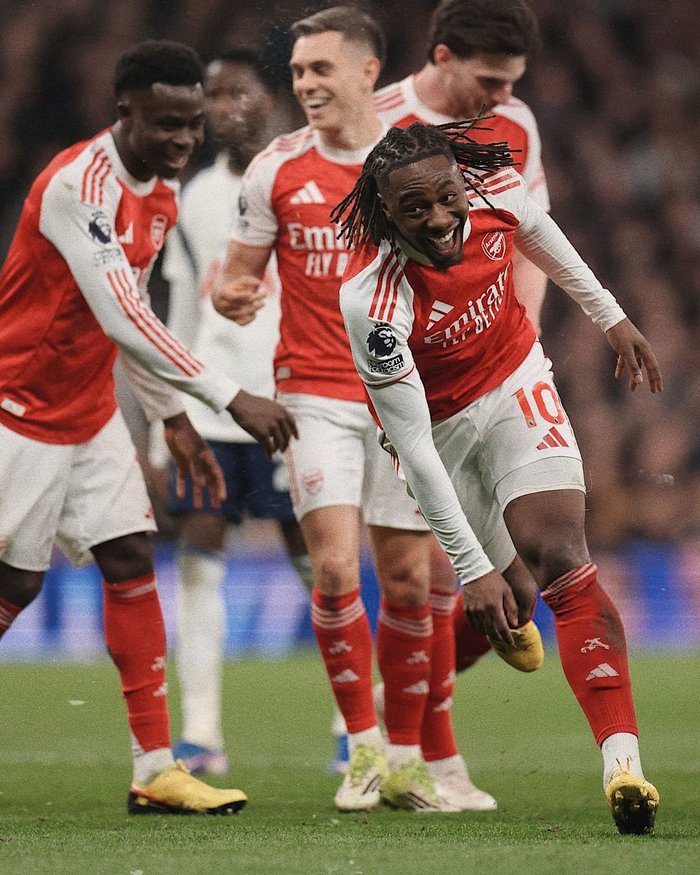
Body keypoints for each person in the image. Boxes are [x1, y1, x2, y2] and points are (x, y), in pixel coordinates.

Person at [335, 120, 661, 835]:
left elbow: (544, 238)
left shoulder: (497, 189)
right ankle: (407, 693)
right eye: (414, 208)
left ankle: (623, 765)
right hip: (439, 432)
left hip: (515, 381)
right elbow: (415, 447)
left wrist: (611, 318)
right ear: (386, 210)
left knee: (562, 559)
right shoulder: (372, 301)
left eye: (445, 197)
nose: (438, 219)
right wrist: (472, 567)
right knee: (510, 598)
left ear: (463, 182)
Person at [213, 7, 500, 814]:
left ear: (369, 72)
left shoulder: (418, 161)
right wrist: (233, 294)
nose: (305, 84)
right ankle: (365, 750)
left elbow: (464, 255)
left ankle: (411, 760)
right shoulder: (275, 168)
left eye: (320, 69)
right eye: (298, 72)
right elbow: (235, 274)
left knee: (409, 580)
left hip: (402, 396)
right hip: (313, 394)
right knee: (337, 568)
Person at [0, 39, 297, 816]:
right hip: (21, 408)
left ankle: (156, 768)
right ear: (124, 111)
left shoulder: (161, 192)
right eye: (167, 124)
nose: (184, 139)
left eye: (192, 124)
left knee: (131, 555)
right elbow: (125, 316)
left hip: (91, 409)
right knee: (16, 584)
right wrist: (229, 397)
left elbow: (130, 324)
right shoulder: (78, 186)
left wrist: (172, 418)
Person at [333, 0, 549, 772]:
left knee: (513, 568)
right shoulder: (375, 122)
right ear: (445, 56)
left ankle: (413, 723)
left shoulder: (516, 123)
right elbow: (347, 255)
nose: (502, 96)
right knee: (416, 573)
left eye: (511, 81)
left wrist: (517, 340)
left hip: (491, 373)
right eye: (490, 80)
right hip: (395, 376)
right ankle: (422, 752)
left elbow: (527, 235)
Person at [155, 48, 312, 778]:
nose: (222, 108)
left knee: (319, 563)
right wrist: (167, 417)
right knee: (198, 560)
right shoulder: (193, 197)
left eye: (236, 93)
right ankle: (201, 732)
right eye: (211, 97)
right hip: (213, 405)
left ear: (270, 99)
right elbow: (183, 311)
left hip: (292, 401)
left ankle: (353, 726)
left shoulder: (303, 178)